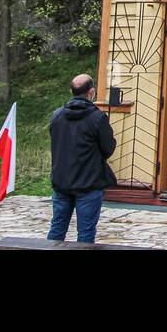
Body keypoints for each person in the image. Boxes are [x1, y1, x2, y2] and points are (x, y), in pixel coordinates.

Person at [47, 74, 116, 243]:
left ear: (72, 91)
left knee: (57, 228)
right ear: (91, 92)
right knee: (86, 232)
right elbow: (108, 148)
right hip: (89, 182)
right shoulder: (98, 118)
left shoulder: (57, 116)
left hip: (62, 181)